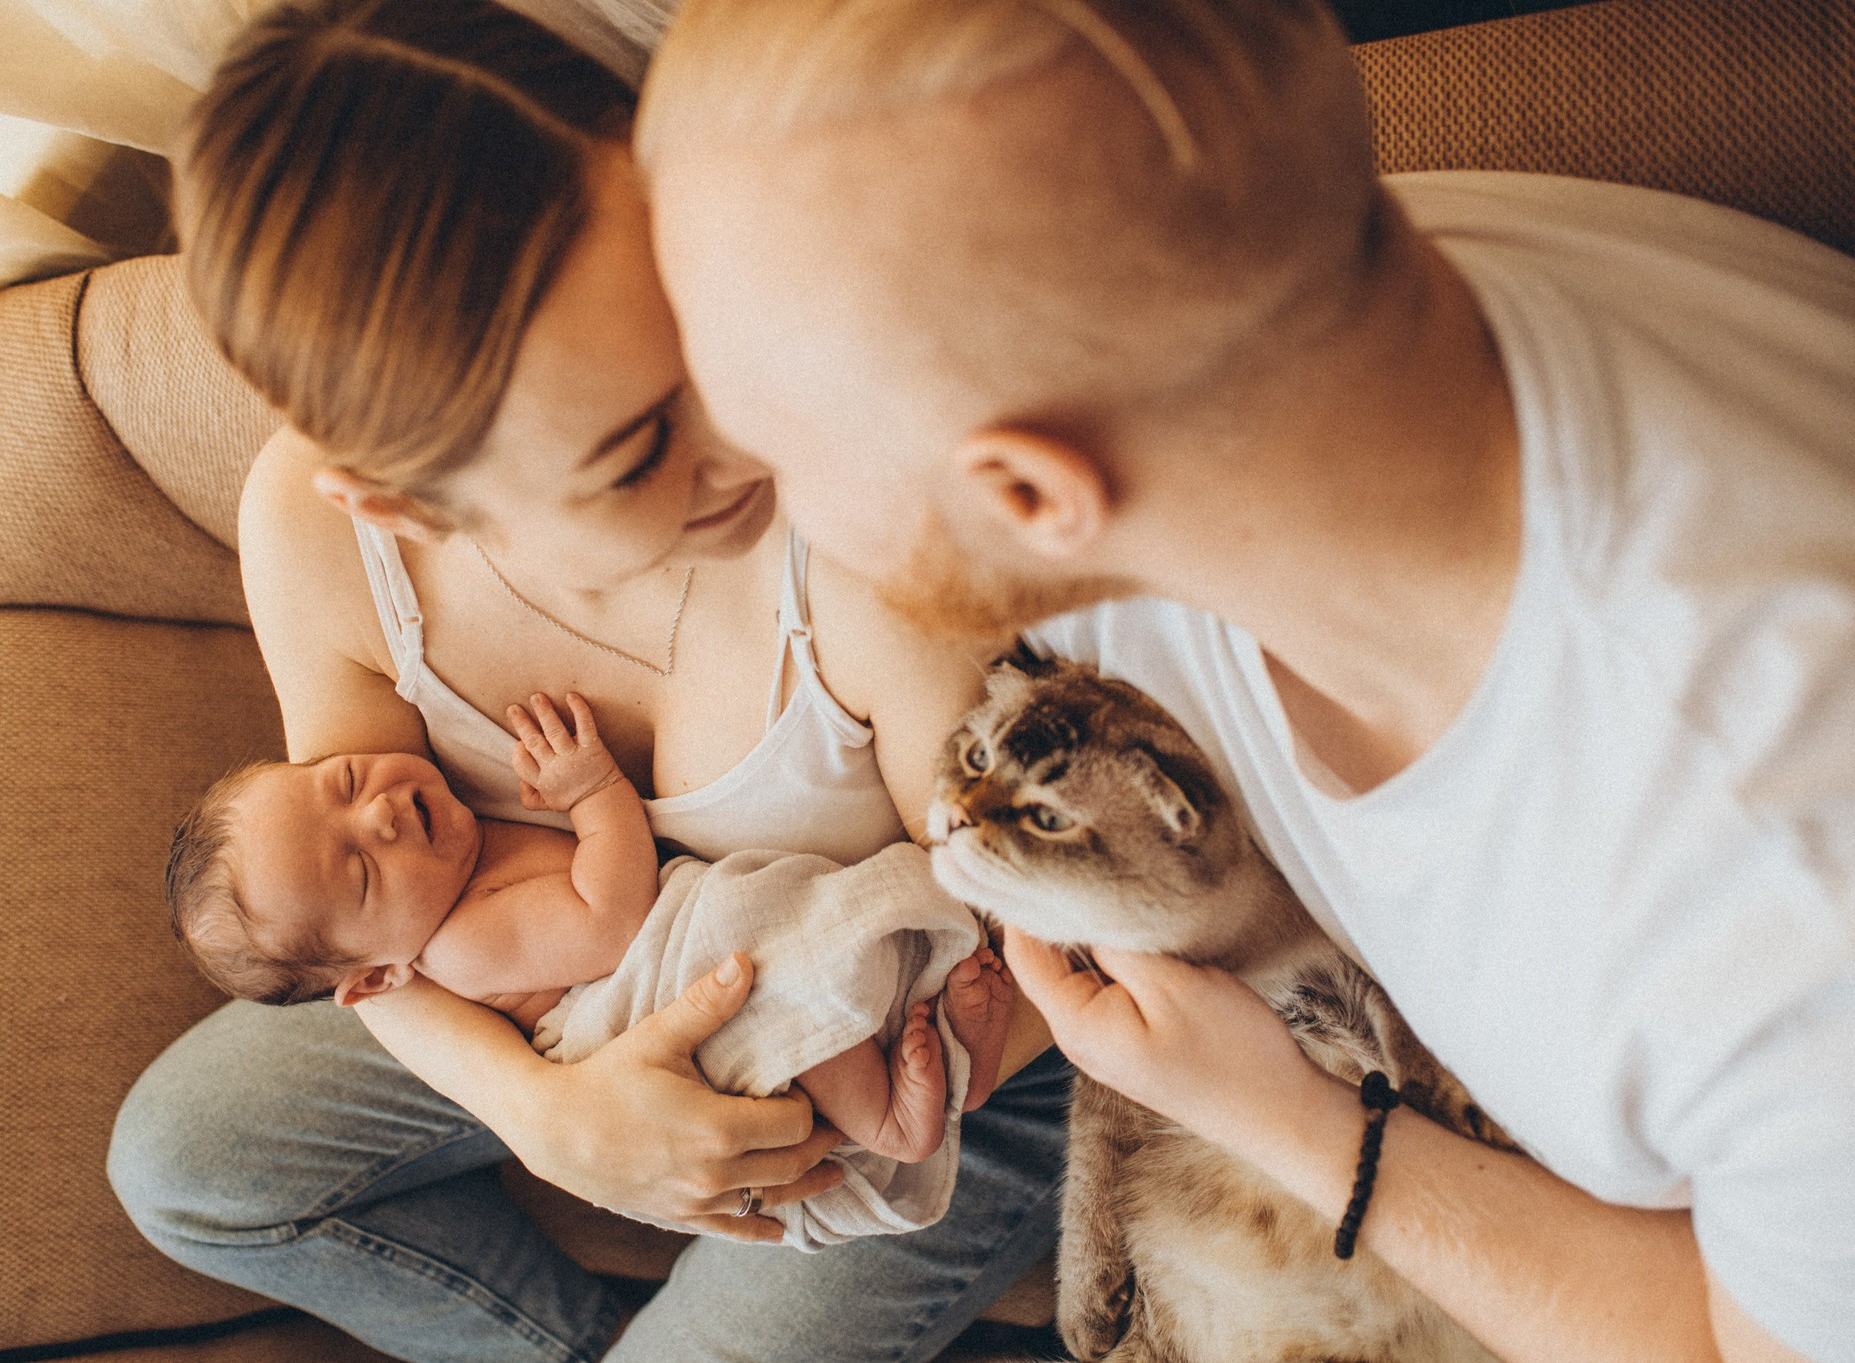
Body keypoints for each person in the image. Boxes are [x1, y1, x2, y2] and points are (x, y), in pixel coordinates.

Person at [633, 2, 1855, 1361]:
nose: (727, 506)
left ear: (1034, 492)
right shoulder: (1272, 303)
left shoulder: (1778, 894)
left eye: (772, 455)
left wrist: (1292, 1122)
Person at [106, 1, 1071, 1360]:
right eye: (631, 447)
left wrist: (776, 1094)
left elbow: (1036, 946)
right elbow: (371, 949)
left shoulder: (847, 524)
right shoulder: (320, 537)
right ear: (406, 504)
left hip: (922, 1018)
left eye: (695, 322)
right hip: (579, 991)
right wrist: (553, 1115)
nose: (744, 444)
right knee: (182, 1156)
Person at [165, 692, 1012, 1178]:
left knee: (791, 953)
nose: (378, 811)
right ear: (379, 979)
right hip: (654, 987)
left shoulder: (448, 869)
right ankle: (891, 1124)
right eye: (358, 873)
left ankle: (962, 1066)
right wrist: (595, 791)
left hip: (669, 945)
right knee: (760, 977)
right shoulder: (462, 943)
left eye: (341, 778)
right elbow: (611, 921)